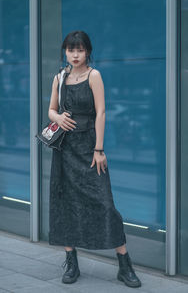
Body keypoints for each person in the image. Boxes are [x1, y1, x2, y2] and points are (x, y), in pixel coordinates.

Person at [48, 30, 142, 288]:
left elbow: (101, 113)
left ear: (88, 51)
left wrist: (99, 149)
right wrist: (56, 118)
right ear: (65, 51)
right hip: (65, 150)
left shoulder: (94, 75)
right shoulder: (60, 77)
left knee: (105, 205)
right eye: (70, 49)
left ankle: (124, 264)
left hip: (90, 147)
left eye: (79, 50)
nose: (75, 55)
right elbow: (51, 109)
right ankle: (71, 261)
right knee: (65, 204)